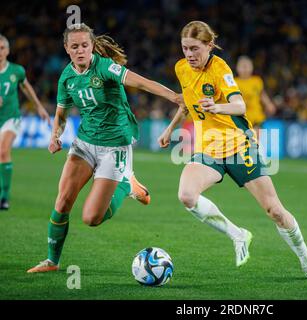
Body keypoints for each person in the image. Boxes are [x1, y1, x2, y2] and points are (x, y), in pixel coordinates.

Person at [158, 21, 307, 281]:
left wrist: (217, 107)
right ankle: (237, 234)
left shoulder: (220, 68)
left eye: (195, 49)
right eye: (185, 48)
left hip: (238, 145)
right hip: (208, 147)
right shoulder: (182, 68)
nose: (189, 55)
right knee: (187, 195)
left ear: (209, 45)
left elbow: (239, 106)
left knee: (275, 211)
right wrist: (170, 130)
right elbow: (186, 103)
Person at [27, 23, 182, 273]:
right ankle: (52, 261)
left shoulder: (105, 67)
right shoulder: (66, 77)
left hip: (115, 145)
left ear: (92, 46)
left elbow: (140, 83)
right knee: (63, 200)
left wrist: (174, 97)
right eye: (74, 46)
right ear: (66, 48)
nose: (80, 51)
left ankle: (126, 184)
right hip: (85, 143)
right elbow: (61, 114)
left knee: (91, 218)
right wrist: (55, 136)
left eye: (85, 45)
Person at [0, 34, 50, 210]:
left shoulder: (16, 71)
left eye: (2, 48)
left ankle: (4, 197)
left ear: (7, 50)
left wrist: (39, 107)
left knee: (3, 151)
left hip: (10, 117)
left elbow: (25, 86)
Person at [235, 55, 276, 131]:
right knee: (244, 141)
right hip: (241, 118)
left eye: (247, 66)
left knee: (254, 140)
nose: (245, 69)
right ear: (237, 68)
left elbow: (262, 94)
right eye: (243, 66)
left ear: (252, 67)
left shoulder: (257, 81)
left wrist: (268, 104)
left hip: (257, 117)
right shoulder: (234, 82)